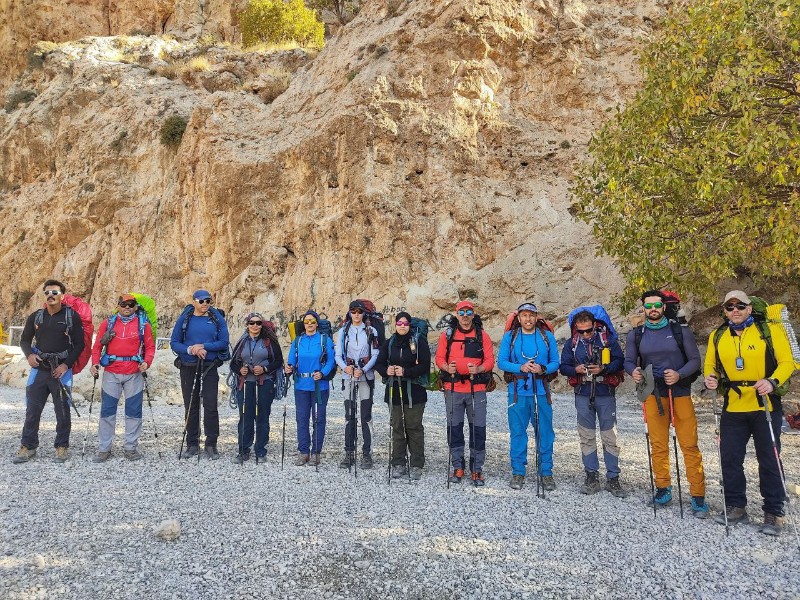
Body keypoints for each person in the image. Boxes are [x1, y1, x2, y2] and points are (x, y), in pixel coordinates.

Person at [704, 290, 795, 535]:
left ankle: (773, 512)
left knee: (769, 459)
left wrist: (772, 381)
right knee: (730, 457)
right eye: (730, 307)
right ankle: (736, 506)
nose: (735, 310)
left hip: (765, 403)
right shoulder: (718, 335)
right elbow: (710, 364)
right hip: (733, 405)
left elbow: (788, 362)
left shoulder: (770, 331)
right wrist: (710, 378)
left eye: (740, 306)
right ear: (724, 310)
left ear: (749, 308)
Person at [624, 289, 708, 517]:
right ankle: (663, 488)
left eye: (656, 306)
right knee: (658, 443)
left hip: (679, 390)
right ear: (643, 308)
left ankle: (698, 495)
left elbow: (694, 360)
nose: (652, 310)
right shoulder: (636, 334)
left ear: (663, 307)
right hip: (652, 391)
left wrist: (679, 374)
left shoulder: (680, 331)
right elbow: (629, 361)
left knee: (689, 444)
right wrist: (634, 372)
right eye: (648, 306)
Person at [13, 279, 85, 464]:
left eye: (54, 292)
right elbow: (25, 341)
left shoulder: (71, 316)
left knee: (62, 410)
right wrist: (29, 355)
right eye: (47, 293)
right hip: (40, 369)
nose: (50, 296)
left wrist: (66, 365)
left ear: (62, 295)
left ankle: (62, 446)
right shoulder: (36, 316)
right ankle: (28, 446)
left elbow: (79, 344)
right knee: (32, 409)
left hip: (61, 371)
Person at [559, 309, 627, 497]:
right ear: (576, 330)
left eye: (589, 330)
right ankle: (591, 476)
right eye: (581, 332)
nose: (586, 335)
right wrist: (576, 369)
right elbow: (563, 366)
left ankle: (613, 478)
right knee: (586, 435)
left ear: (594, 326)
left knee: (610, 436)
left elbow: (620, 361)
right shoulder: (571, 344)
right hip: (582, 392)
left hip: (605, 392)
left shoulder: (607, 340)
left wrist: (604, 369)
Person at [497, 303, 559, 491]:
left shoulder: (546, 337)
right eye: (524, 315)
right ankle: (518, 472)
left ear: (536, 317)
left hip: (541, 391)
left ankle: (546, 473)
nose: (528, 319)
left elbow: (556, 361)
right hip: (518, 391)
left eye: (531, 315)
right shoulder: (511, 337)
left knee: (545, 432)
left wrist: (543, 368)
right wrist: (520, 367)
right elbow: (501, 362)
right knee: (517, 432)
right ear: (518, 318)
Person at [89, 294, 155, 462]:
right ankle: (104, 449)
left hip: (134, 373)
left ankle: (130, 448)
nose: (127, 307)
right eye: (123, 304)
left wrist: (147, 362)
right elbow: (97, 346)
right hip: (111, 372)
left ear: (135, 307)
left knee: (133, 411)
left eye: (130, 304)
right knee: (107, 411)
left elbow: (150, 347)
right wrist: (95, 363)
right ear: (118, 305)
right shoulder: (108, 323)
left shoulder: (143, 325)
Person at [435, 300, 495, 486]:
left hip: (476, 389)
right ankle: (458, 466)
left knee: (478, 429)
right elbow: (438, 358)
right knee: (454, 429)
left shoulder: (482, 335)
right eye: (462, 312)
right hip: (453, 387)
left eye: (468, 312)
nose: (465, 316)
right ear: (456, 313)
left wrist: (478, 370)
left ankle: (476, 469)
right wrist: (447, 367)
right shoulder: (448, 335)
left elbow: (490, 361)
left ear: (473, 313)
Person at [170, 289, 230, 460]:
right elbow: (174, 342)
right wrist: (191, 349)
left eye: (208, 301)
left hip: (209, 366)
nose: (205, 304)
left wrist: (203, 346)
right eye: (201, 301)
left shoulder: (216, 318)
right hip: (188, 365)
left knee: (210, 405)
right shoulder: (186, 318)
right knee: (191, 405)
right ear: (194, 301)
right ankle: (192, 443)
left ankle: (211, 444)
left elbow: (224, 342)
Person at [374, 312, 430, 480]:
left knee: (414, 427)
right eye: (400, 323)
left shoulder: (418, 342)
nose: (402, 326)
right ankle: (398, 463)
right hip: (394, 390)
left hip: (415, 391)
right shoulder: (390, 343)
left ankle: (416, 464)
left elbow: (425, 366)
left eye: (405, 323)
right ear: (395, 325)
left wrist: (407, 372)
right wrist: (386, 371)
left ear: (410, 325)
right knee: (397, 426)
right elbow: (379, 363)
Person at [229, 313, 284, 464]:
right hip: (245, 382)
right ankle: (243, 449)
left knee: (262, 415)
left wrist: (265, 369)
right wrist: (240, 370)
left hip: (264, 382)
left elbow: (278, 361)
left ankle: (260, 449)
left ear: (262, 325)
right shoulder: (242, 342)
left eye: (258, 323)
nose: (255, 326)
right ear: (247, 325)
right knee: (246, 415)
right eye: (252, 323)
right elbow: (233, 362)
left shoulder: (269, 342)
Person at [284, 310, 335, 466]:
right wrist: (289, 368)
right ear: (303, 324)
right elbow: (292, 359)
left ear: (317, 323)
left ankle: (316, 453)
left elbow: (331, 361)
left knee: (319, 419)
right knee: (302, 418)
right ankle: (303, 451)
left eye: (312, 321)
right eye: (307, 321)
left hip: (320, 385)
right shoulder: (298, 341)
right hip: (301, 385)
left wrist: (323, 373)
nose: (310, 324)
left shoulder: (325, 340)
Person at [335, 300, 379, 469]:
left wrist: (364, 369)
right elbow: (338, 354)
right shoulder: (343, 331)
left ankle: (367, 454)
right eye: (353, 311)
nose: (356, 314)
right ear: (349, 313)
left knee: (366, 416)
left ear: (364, 313)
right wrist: (346, 368)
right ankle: (349, 452)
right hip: (348, 376)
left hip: (365, 377)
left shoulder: (371, 330)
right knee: (349, 415)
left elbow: (375, 353)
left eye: (359, 311)